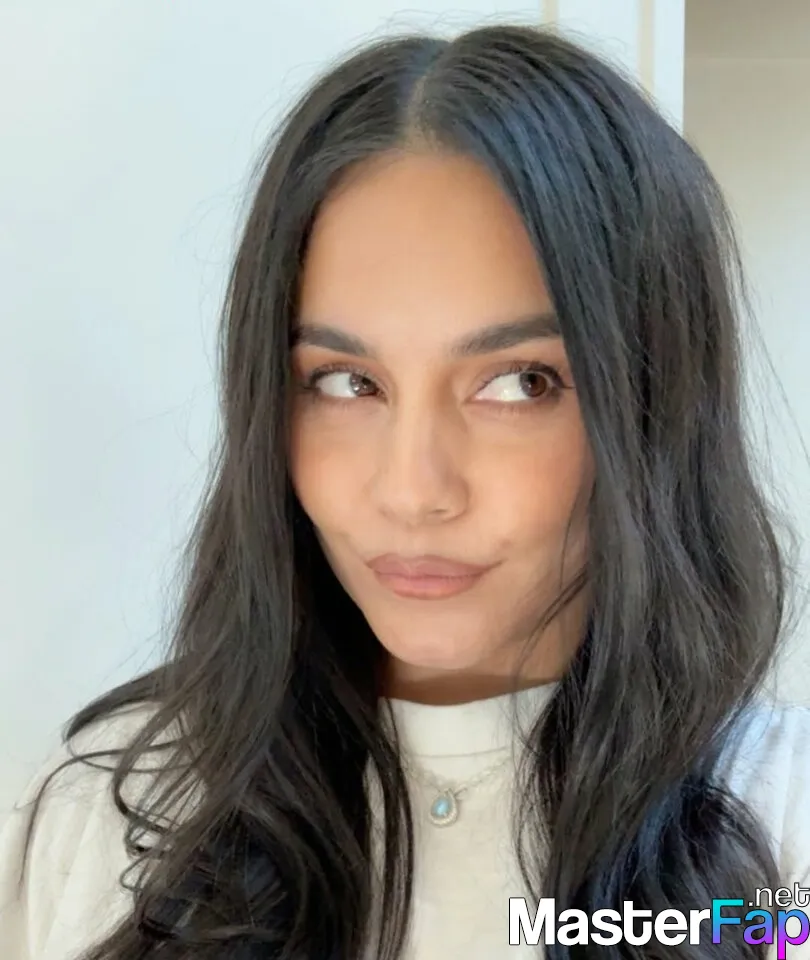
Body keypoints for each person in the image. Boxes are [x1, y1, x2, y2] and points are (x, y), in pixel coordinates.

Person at [1, 21, 808, 960]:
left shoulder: (779, 843)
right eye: (347, 382)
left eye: (520, 383)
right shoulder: (111, 825)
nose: (412, 491)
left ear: (651, 405)